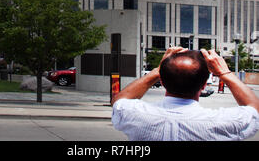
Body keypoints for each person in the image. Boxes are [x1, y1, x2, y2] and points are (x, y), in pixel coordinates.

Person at [111, 47, 259, 141]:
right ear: (203, 85)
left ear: (162, 81)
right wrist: (224, 72)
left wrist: (157, 70)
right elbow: (254, 109)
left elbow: (119, 100)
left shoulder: (137, 115)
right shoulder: (222, 122)